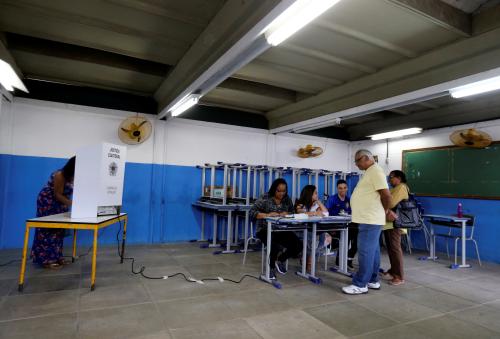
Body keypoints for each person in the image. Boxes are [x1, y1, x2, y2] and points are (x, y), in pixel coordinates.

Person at [342, 150, 393, 295]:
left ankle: (360, 284)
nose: (356, 164)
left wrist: (386, 210)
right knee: (373, 252)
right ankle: (372, 280)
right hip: (369, 218)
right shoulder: (370, 172)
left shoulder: (376, 171)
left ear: (365, 158)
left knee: (365, 252)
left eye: (357, 161)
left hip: (370, 219)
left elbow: (386, 195)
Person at [250, 178, 302, 279]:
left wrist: (286, 213)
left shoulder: (287, 199)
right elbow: (252, 212)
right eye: (279, 191)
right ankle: (271, 268)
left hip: (282, 230)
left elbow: (292, 212)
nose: (281, 193)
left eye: (284, 191)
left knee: (298, 245)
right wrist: (267, 214)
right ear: (274, 189)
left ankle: (281, 259)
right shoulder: (265, 198)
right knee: (275, 246)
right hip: (264, 230)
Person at [31, 156, 75, 268]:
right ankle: (46, 260)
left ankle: (57, 257)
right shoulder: (59, 175)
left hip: (62, 203)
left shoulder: (73, 176)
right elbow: (57, 194)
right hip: (48, 202)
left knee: (59, 229)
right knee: (47, 230)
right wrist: (72, 204)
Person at [381, 170, 409, 286]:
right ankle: (393, 271)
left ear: (399, 178)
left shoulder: (401, 187)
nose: (389, 179)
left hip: (395, 224)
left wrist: (385, 202)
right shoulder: (394, 188)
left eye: (392, 177)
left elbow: (391, 203)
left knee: (395, 249)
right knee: (391, 249)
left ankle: (399, 276)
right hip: (388, 223)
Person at [326, 179, 358, 269]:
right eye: (340, 188)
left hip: (346, 225)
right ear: (337, 189)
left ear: (347, 188)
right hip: (334, 226)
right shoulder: (332, 199)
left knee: (359, 235)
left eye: (344, 188)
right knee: (346, 235)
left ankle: (349, 258)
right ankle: (340, 261)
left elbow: (352, 213)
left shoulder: (349, 200)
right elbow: (325, 213)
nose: (342, 190)